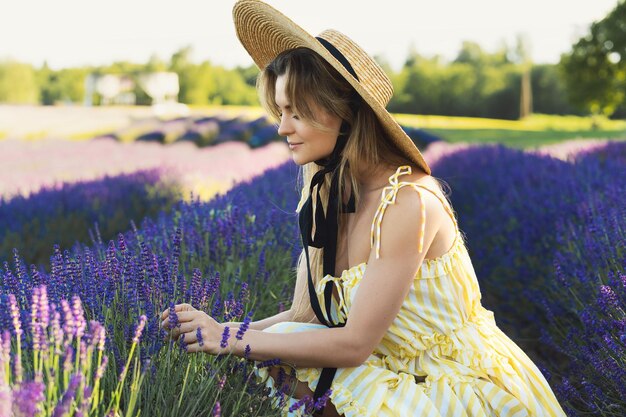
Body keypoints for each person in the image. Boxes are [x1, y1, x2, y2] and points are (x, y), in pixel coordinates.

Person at [160, 1, 567, 416]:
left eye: (296, 112)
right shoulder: (330, 196)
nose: (283, 128)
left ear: (346, 112)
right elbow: (310, 317)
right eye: (281, 111)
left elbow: (354, 344)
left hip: (462, 383)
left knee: (286, 352)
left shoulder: (410, 202)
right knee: (281, 347)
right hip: (396, 373)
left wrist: (233, 340)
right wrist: (222, 330)